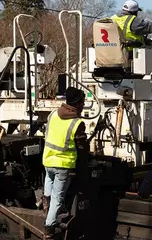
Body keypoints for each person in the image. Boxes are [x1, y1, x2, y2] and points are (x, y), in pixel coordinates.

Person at [42, 87, 87, 240]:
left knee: (49, 183)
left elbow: (47, 134)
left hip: (48, 159)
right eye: (83, 101)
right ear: (78, 103)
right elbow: (82, 148)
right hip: (63, 164)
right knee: (58, 197)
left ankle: (45, 208)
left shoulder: (53, 114)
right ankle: (49, 226)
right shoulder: (77, 122)